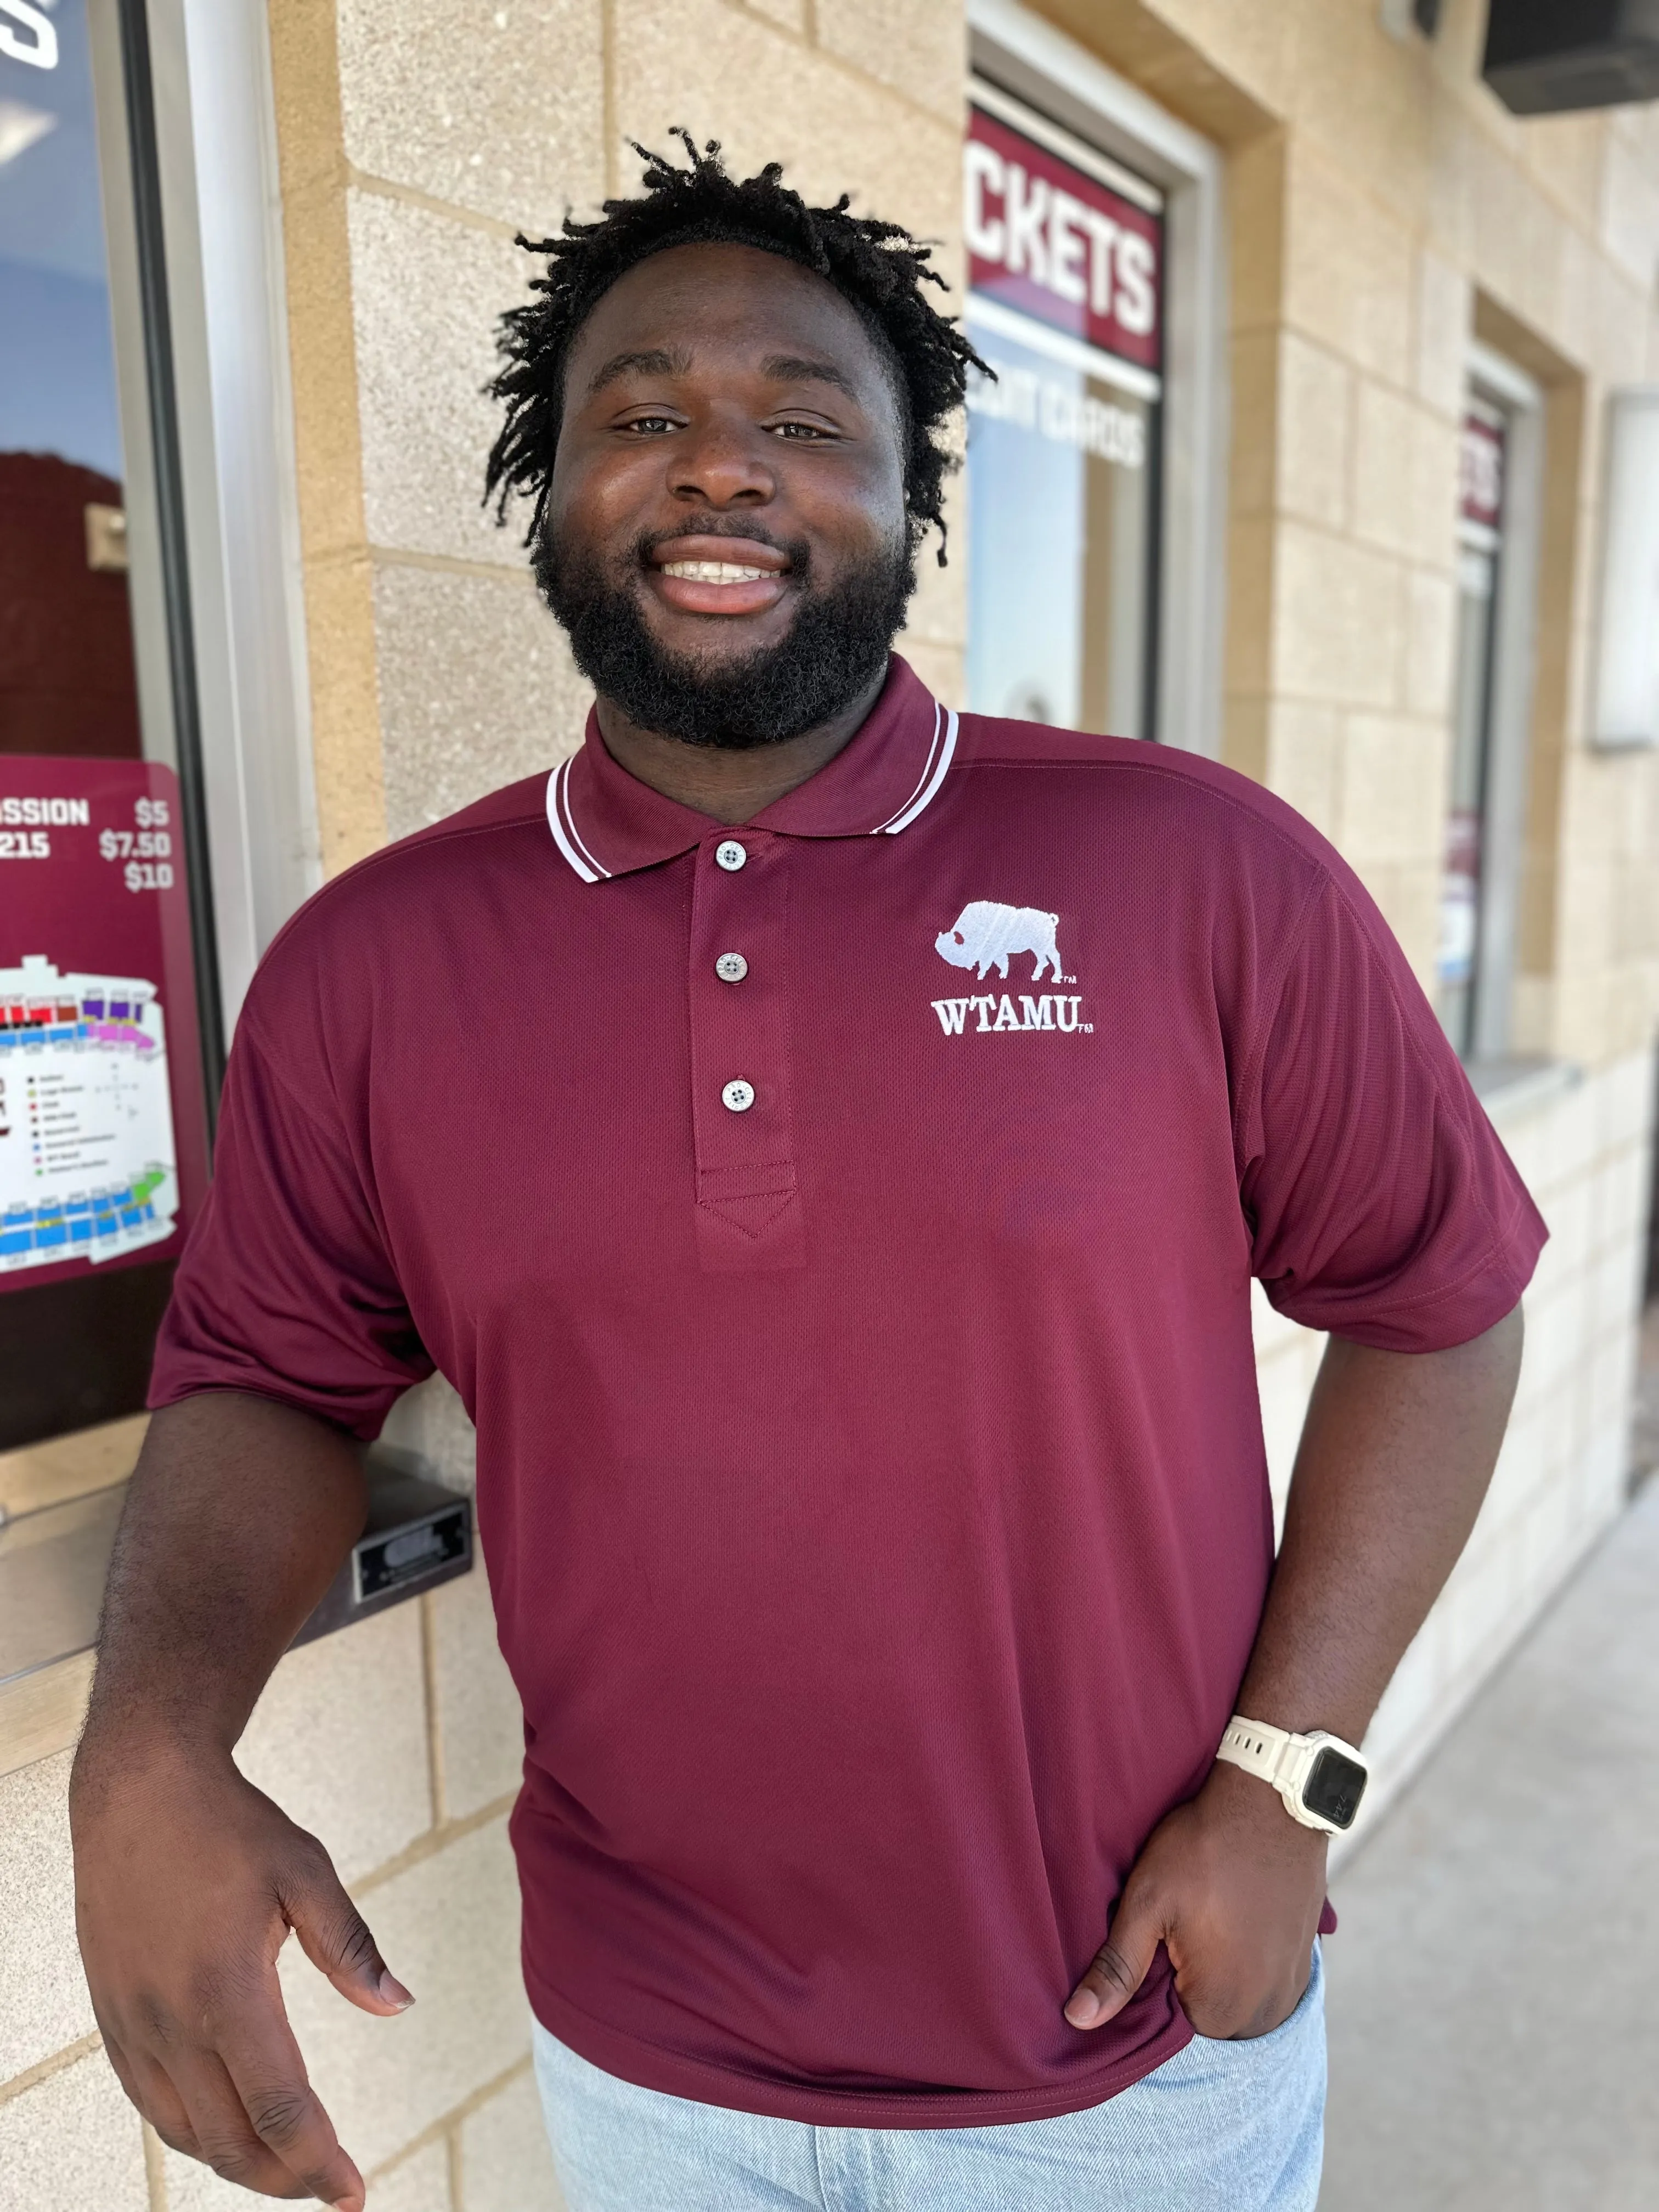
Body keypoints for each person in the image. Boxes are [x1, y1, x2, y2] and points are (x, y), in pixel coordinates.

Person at [70, 139, 1543, 2212]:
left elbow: (1442, 1297)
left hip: (1123, 2059)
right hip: (654, 2068)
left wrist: (1287, 1778)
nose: (719, 467)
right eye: (643, 413)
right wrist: (144, 1757)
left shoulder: (1190, 872)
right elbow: (263, 1377)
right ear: (553, 487)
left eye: (804, 419)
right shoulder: (377, 968)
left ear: (915, 494)